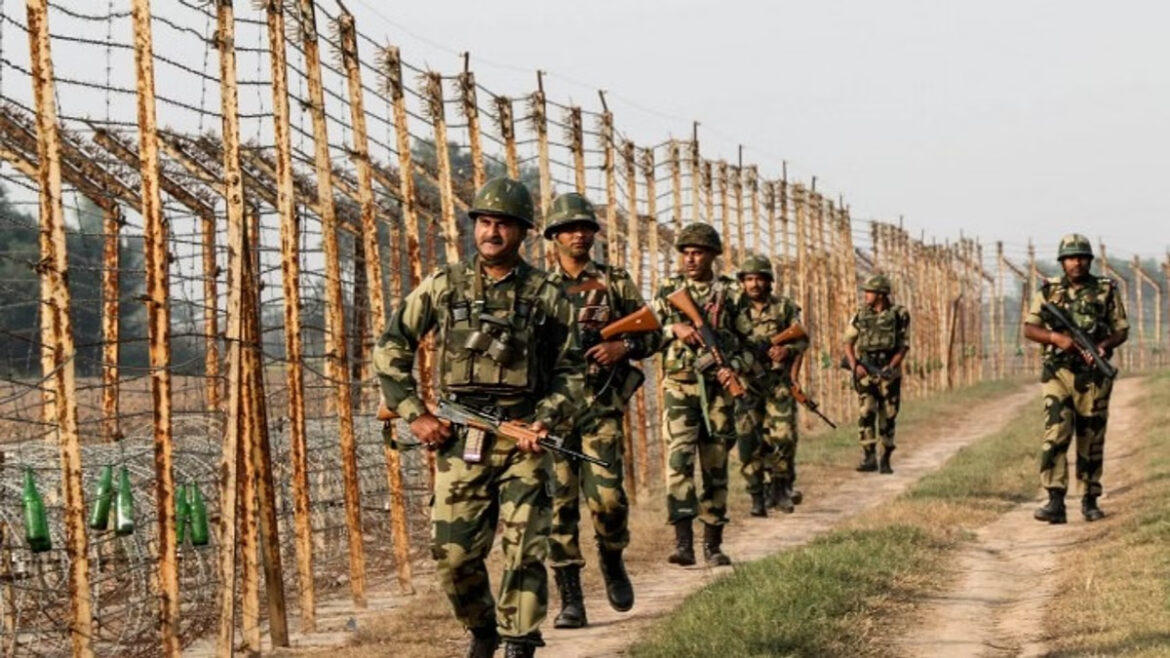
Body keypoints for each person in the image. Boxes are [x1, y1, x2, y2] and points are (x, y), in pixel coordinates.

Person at [373, 178, 583, 658]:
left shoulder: (547, 293)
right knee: (452, 556)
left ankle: (518, 641)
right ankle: (483, 627)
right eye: (485, 222)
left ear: (523, 232)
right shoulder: (444, 285)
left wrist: (546, 420)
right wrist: (416, 414)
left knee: (524, 549)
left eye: (503, 224)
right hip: (460, 437)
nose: (492, 232)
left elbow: (574, 369)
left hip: (523, 438)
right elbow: (391, 347)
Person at [543, 192, 656, 628]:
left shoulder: (615, 281)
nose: (578, 234)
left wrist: (621, 345)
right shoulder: (537, 285)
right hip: (551, 414)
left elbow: (653, 334)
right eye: (569, 228)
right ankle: (570, 596)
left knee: (608, 500)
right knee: (558, 506)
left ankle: (612, 556)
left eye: (585, 227)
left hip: (600, 406)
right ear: (554, 235)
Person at [652, 222, 746, 567]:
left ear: (712, 256)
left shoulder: (731, 294)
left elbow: (747, 342)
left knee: (716, 466)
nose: (690, 259)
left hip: (718, 391)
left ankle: (713, 544)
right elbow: (647, 335)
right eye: (686, 253)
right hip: (679, 385)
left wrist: (731, 365)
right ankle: (683, 542)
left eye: (698, 253)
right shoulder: (668, 290)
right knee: (678, 463)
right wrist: (672, 328)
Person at [1023, 233, 1128, 524]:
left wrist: (1105, 346)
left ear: (1089, 260)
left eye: (1082, 257)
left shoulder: (1106, 290)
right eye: (1071, 257)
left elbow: (1121, 328)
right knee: (1056, 433)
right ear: (1062, 261)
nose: (1076, 262)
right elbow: (1030, 329)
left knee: (1091, 436)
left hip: (1093, 375)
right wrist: (1056, 338)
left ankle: (1090, 499)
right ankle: (1055, 500)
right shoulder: (1048, 291)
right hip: (1058, 372)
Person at [733, 254, 808, 516]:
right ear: (742, 282)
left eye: (759, 279)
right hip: (745, 385)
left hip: (777, 384)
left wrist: (786, 351)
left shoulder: (784, 307)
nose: (754, 284)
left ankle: (780, 486)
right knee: (748, 442)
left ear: (769, 281)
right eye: (749, 279)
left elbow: (801, 339)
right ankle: (757, 494)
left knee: (784, 436)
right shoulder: (734, 308)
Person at [843, 273, 910, 474]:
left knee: (888, 415)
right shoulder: (860, 314)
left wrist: (892, 366)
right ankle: (869, 457)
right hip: (866, 371)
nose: (866, 295)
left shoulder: (899, 314)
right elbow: (848, 342)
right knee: (866, 413)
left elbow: (903, 345)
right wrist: (855, 366)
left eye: (869, 292)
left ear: (881, 294)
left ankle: (886, 457)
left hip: (889, 372)